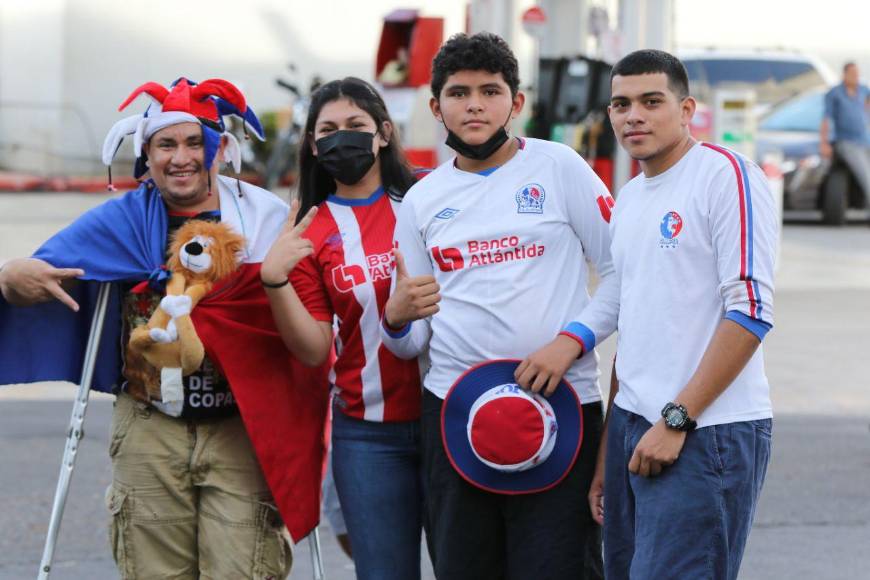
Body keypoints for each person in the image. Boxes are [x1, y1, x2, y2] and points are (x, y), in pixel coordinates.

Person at [0, 77, 330, 579]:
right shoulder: (121, 221)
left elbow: (311, 314)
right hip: (149, 426)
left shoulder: (264, 220)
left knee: (246, 570)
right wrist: (10, 278)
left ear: (218, 148)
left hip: (242, 426)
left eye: (195, 142)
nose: (181, 157)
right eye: (166, 144)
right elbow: (36, 272)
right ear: (146, 156)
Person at [380, 32, 617, 579]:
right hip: (456, 413)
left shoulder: (560, 168)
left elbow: (622, 274)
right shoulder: (421, 200)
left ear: (516, 102)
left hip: (561, 403)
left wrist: (571, 341)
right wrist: (395, 319)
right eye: (459, 93)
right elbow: (414, 338)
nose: (475, 105)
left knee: (559, 569)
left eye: (490, 91)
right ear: (437, 106)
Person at [588, 49, 777, 580]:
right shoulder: (630, 198)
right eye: (621, 104)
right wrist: (609, 451)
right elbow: (637, 330)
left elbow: (752, 312)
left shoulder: (724, 176)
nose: (635, 116)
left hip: (705, 430)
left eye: (652, 101)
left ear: (686, 108)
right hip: (634, 428)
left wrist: (677, 418)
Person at [260, 77, 425, 580]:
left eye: (355, 125)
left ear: (383, 132)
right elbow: (312, 349)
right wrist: (274, 280)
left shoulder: (429, 200)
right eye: (328, 130)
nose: (342, 137)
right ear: (313, 144)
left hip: (450, 418)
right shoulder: (310, 229)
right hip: (367, 434)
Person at [820, 61, 870, 208]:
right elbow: (826, 119)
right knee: (866, 176)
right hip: (847, 142)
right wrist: (824, 143)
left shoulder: (863, 90)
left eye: (857, 74)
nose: (856, 76)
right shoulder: (835, 93)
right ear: (845, 74)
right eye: (852, 74)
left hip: (865, 140)